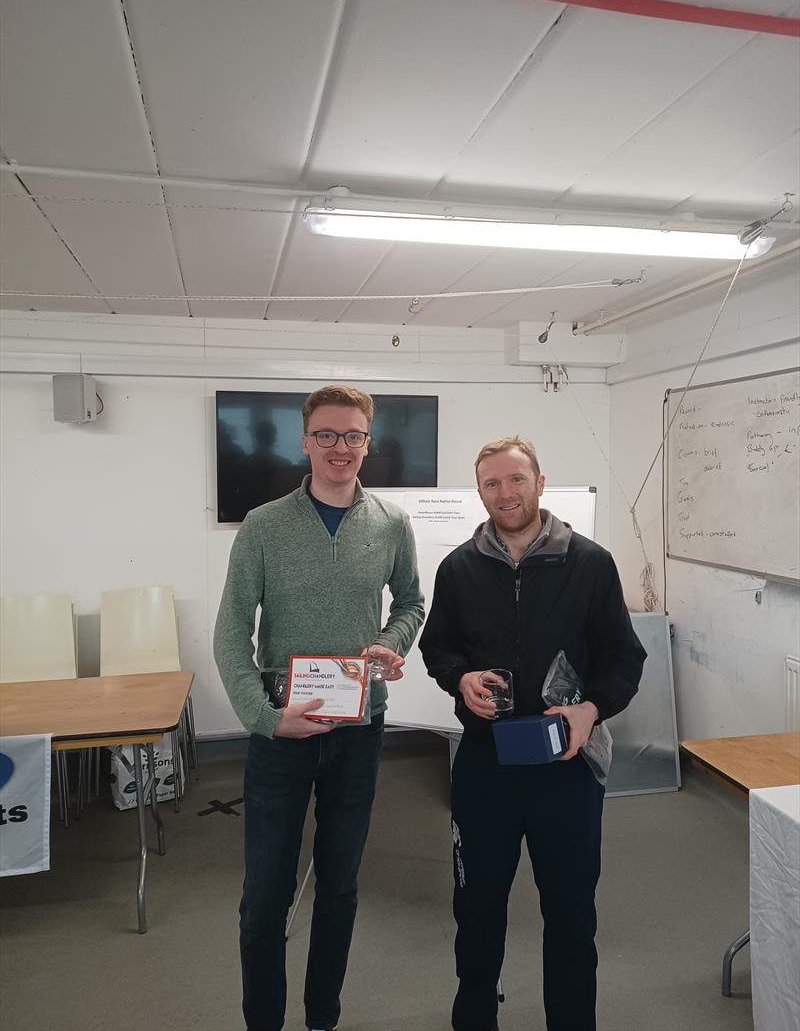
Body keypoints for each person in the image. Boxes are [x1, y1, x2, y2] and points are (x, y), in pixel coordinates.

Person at [214, 384, 424, 1031]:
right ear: (304, 441)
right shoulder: (264, 526)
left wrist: (389, 646)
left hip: (360, 733)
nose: (341, 447)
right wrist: (264, 715)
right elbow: (230, 633)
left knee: (339, 888)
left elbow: (411, 602)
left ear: (370, 442)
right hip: (282, 735)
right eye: (328, 434)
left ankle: (322, 1019)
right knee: (264, 900)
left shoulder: (390, 522)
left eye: (353, 435)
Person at [419, 437, 646, 1031]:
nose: (505, 494)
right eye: (492, 484)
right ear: (480, 492)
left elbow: (624, 660)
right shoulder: (458, 568)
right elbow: (437, 646)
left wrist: (590, 710)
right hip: (484, 765)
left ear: (540, 482)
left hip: (566, 766)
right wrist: (459, 678)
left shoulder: (590, 564)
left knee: (571, 915)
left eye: (516, 480)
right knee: (476, 910)